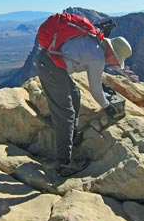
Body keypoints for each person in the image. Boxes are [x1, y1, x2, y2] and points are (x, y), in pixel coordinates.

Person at [36, 24, 132, 177]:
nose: (114, 63)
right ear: (112, 52)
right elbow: (94, 90)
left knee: (75, 93)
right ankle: (65, 164)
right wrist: (107, 106)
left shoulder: (96, 40)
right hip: (51, 67)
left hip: (50, 62)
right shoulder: (98, 56)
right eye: (116, 60)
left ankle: (71, 136)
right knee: (65, 114)